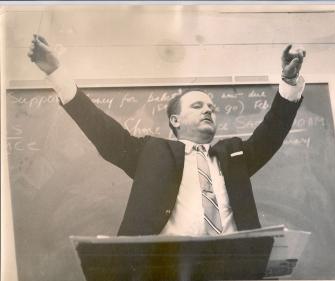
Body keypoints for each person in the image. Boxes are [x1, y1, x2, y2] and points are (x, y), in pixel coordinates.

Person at [28, 35, 306, 237]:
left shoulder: (233, 155)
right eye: (198, 106)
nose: (208, 110)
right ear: (175, 120)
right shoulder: (151, 153)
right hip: (164, 268)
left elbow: (271, 134)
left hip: (233, 266)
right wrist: (57, 73)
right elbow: (102, 131)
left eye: (211, 107)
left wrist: (289, 83)